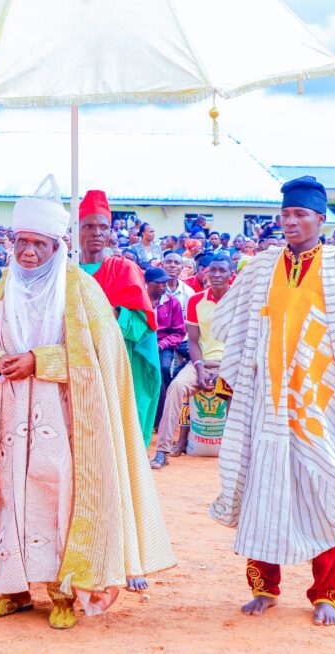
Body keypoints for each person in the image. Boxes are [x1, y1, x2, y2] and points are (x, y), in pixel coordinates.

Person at [0, 186, 175, 630]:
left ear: (57, 247)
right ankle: (13, 589)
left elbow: (101, 355)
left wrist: (42, 360)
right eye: (22, 242)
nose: (29, 252)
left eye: (40, 244)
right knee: (6, 495)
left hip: (65, 414)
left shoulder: (82, 292)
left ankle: (62, 593)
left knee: (57, 493)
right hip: (9, 413)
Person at [209, 176, 335, 627]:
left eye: (301, 215)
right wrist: (237, 375)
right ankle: (263, 587)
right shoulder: (259, 268)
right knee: (261, 490)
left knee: (327, 491)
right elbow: (229, 320)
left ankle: (326, 593)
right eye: (286, 214)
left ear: (319, 218)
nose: (291, 222)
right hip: (266, 402)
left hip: (321, 404)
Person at [78, 190, 160, 446]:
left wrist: (108, 312)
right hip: (75, 367)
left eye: (103, 227)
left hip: (116, 367)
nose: (97, 233)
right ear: (76, 229)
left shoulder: (124, 269)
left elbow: (142, 327)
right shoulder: (64, 271)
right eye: (89, 226)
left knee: (115, 445)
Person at [151, 255, 232, 468]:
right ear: (205, 273)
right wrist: (200, 367)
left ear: (231, 275)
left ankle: (236, 455)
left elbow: (243, 340)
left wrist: (223, 371)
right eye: (212, 270)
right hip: (202, 363)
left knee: (239, 392)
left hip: (231, 362)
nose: (216, 275)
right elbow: (194, 341)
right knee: (176, 387)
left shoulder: (239, 300)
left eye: (222, 271)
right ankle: (162, 451)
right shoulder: (196, 300)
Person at [145, 266, 186, 434]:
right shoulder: (139, 301)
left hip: (164, 345)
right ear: (147, 284)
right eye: (159, 283)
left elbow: (179, 332)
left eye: (165, 283)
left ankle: (162, 418)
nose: (164, 286)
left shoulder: (172, 302)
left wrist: (162, 344)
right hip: (143, 344)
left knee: (162, 370)